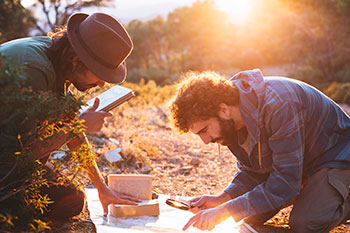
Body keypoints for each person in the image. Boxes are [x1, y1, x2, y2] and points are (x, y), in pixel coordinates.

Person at [169, 69, 350, 233]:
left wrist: (224, 210)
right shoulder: (231, 123)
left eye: (204, 130)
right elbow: (253, 171)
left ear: (223, 110)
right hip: (301, 162)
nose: (206, 141)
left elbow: (285, 184)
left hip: (335, 155)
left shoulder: (279, 105)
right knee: (245, 219)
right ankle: (307, 190)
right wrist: (222, 199)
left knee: (304, 223)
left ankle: (340, 196)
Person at [0, 12, 140, 220]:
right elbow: (21, 156)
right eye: (99, 73)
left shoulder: (57, 60)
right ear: (76, 60)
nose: (102, 84)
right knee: (70, 201)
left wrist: (102, 188)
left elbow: (71, 129)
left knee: (71, 197)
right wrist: (79, 125)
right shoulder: (34, 70)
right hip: (8, 160)